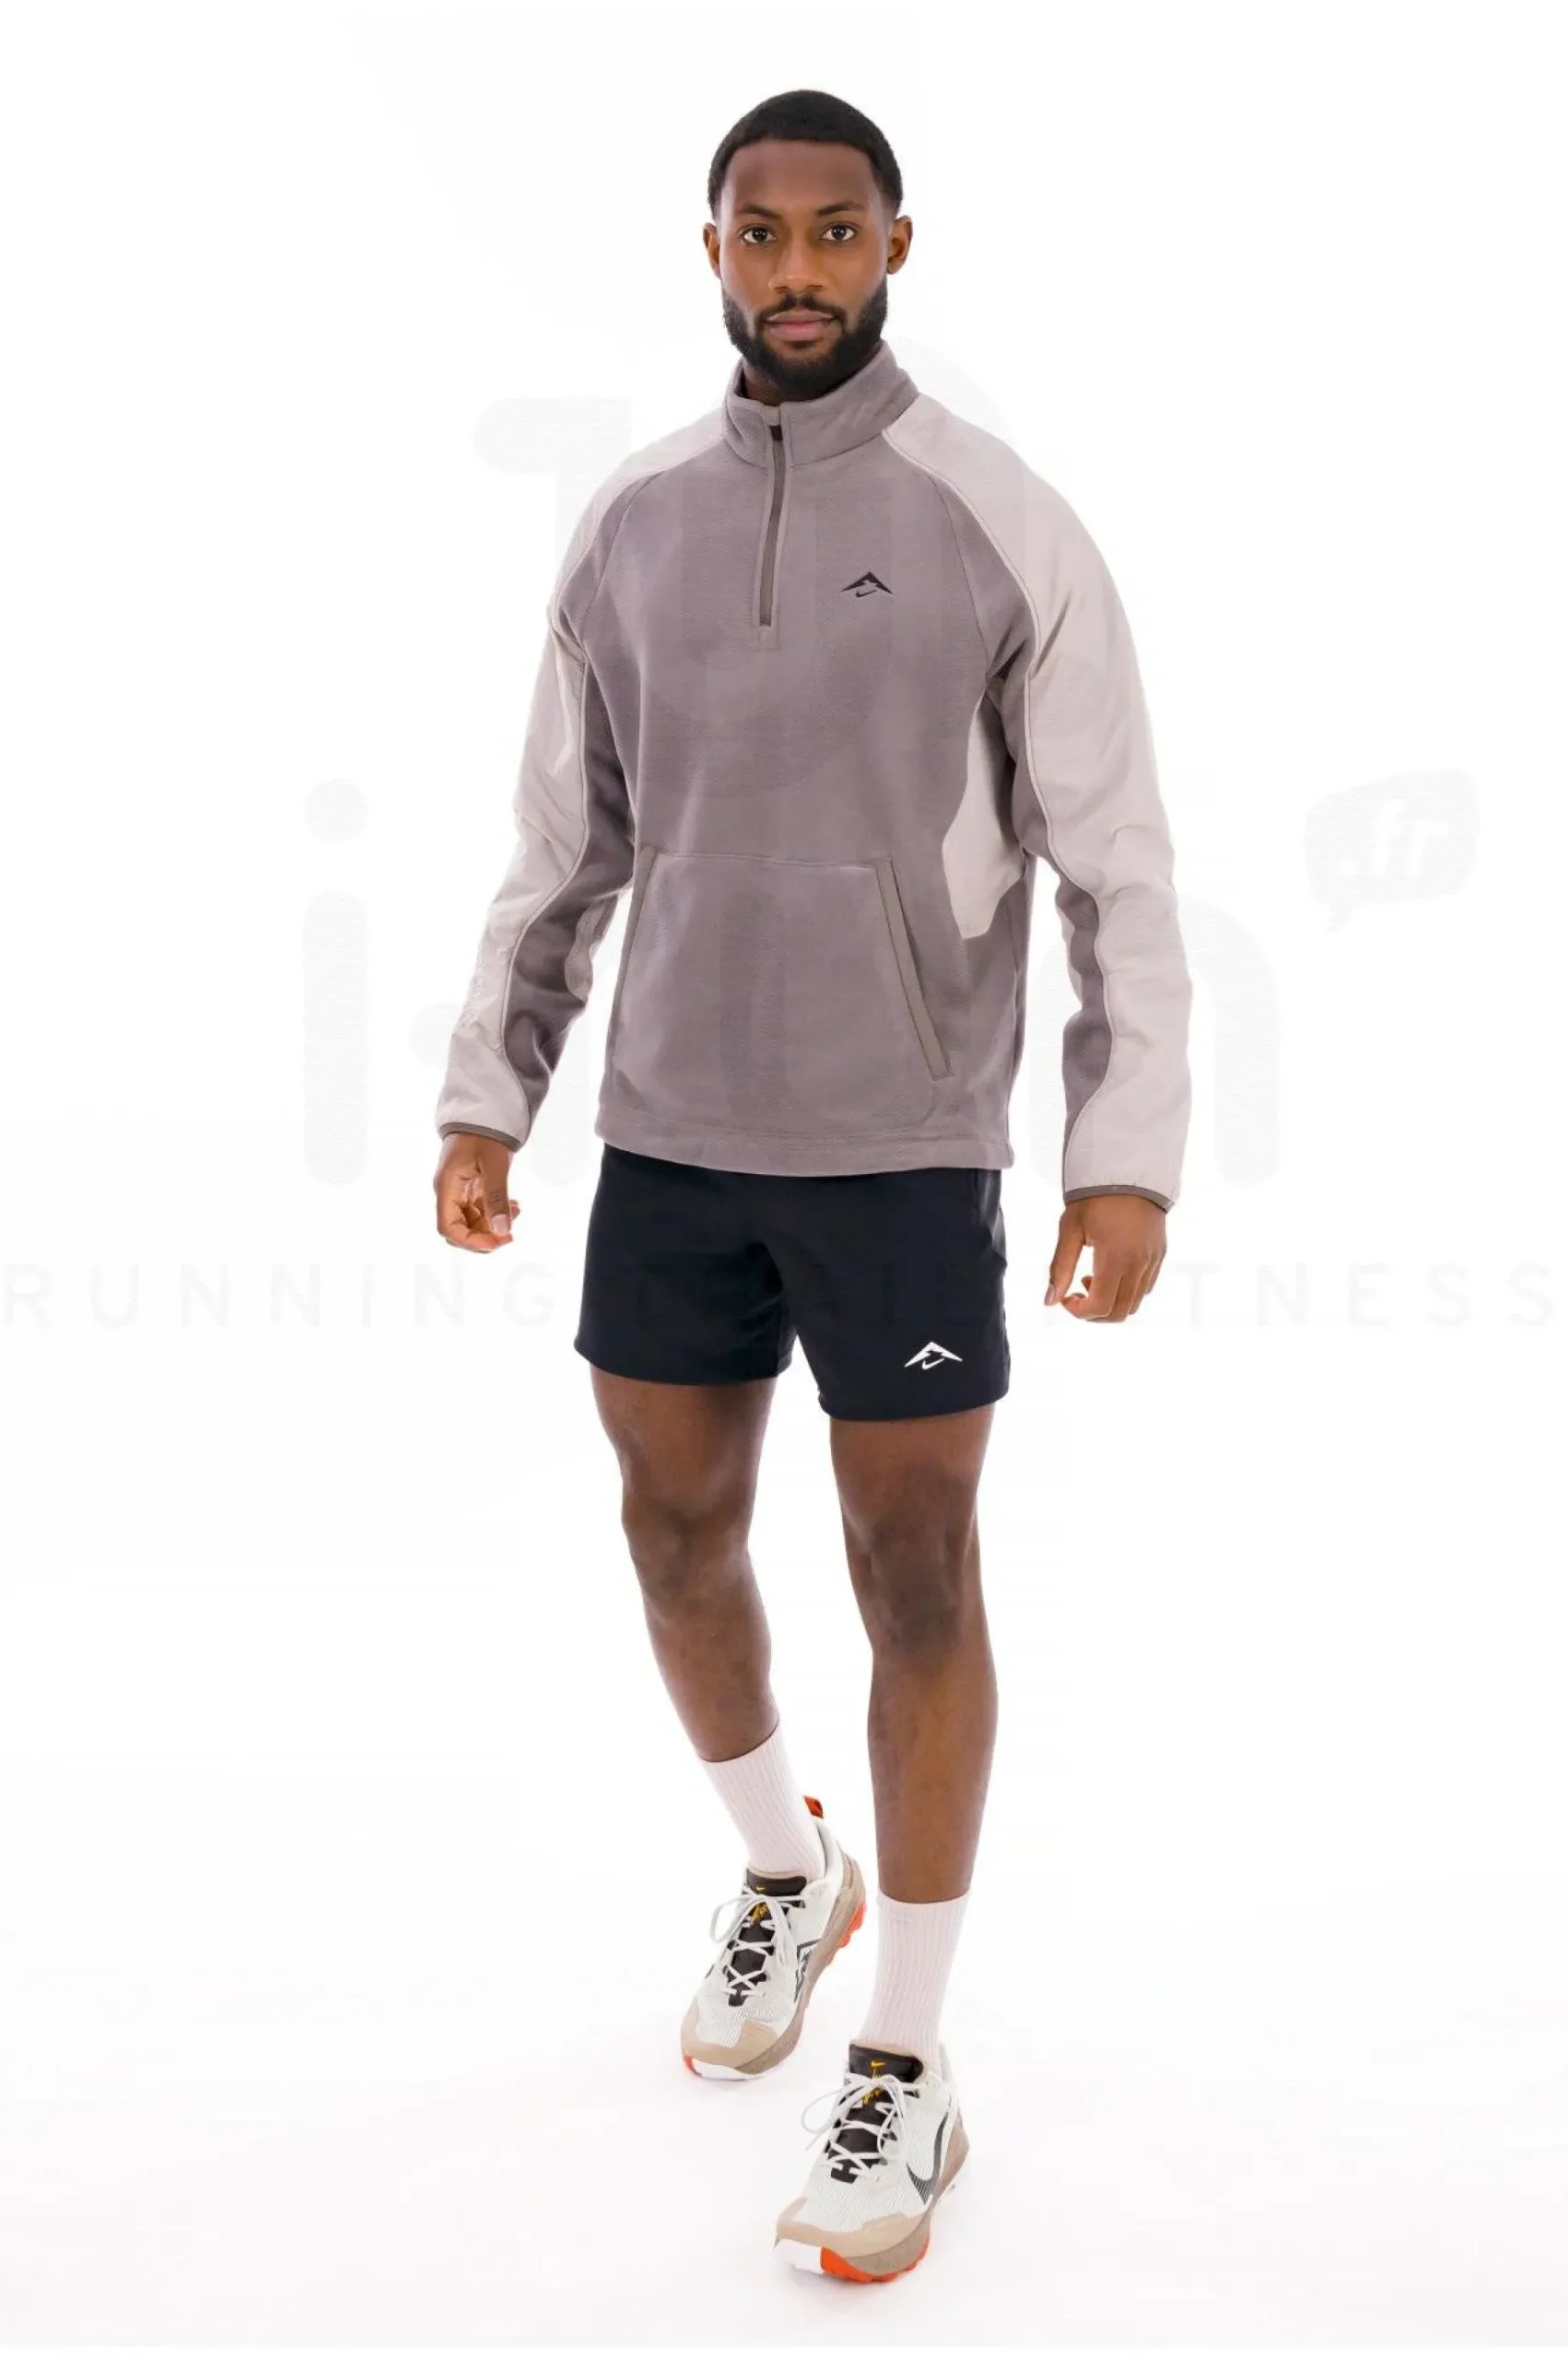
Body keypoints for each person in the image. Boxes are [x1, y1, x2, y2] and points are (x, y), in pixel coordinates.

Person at [432, 87, 1192, 2283]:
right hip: (670, 1128)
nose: (795, 270)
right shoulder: (630, 522)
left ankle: (906, 2053)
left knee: (915, 1571)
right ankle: (787, 1869)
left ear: (893, 248)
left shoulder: (995, 518)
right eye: (758, 234)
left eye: (832, 233)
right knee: (670, 1534)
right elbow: (560, 840)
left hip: (904, 1146)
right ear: (710, 252)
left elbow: (1117, 867)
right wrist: (490, 1093)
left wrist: (1122, 1154)